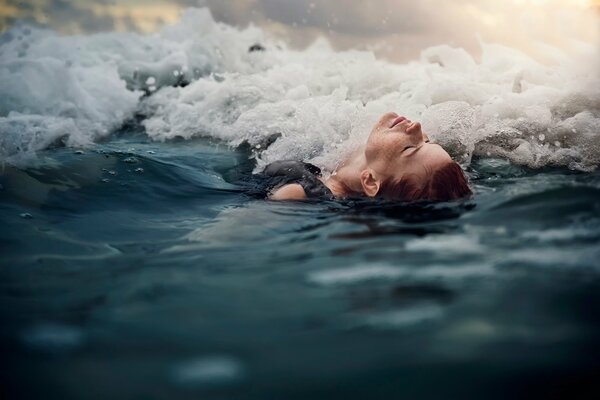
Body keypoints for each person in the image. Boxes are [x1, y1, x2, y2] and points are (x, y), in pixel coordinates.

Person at [263, 112, 472, 202]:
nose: (417, 127)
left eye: (409, 148)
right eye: (427, 142)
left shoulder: (297, 194)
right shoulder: (347, 153)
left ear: (370, 181)